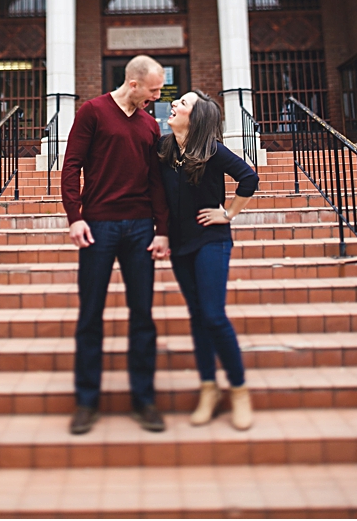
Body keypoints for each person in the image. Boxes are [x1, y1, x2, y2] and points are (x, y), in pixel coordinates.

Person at [61, 55, 171, 435]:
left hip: (141, 227)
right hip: (98, 225)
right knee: (90, 313)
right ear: (135, 83)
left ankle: (144, 400)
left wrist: (162, 229)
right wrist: (75, 218)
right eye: (155, 89)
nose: (158, 97)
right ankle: (86, 402)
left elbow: (156, 180)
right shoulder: (92, 111)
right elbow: (72, 165)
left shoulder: (149, 124)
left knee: (142, 315)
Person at [157, 90, 259, 430]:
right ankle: (208, 389)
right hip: (180, 244)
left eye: (182, 103)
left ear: (196, 117)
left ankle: (239, 391)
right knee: (198, 316)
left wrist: (228, 214)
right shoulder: (165, 149)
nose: (173, 105)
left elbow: (249, 177)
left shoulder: (212, 151)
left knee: (213, 315)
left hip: (211, 241)